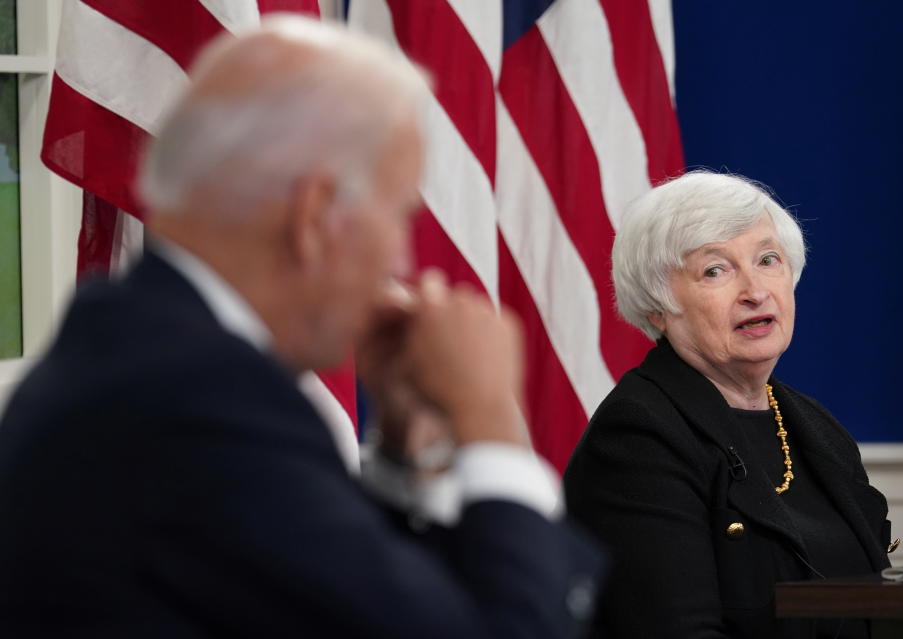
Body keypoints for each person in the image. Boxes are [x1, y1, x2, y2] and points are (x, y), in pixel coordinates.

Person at [0, 17, 602, 638]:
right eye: (397, 216)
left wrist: (404, 448)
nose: (400, 263)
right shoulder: (200, 399)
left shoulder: (138, 347)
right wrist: (489, 416)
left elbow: (357, 601)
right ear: (315, 215)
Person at [563, 171, 892, 639]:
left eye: (768, 260)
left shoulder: (819, 429)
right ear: (658, 306)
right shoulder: (638, 436)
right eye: (715, 270)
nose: (755, 291)